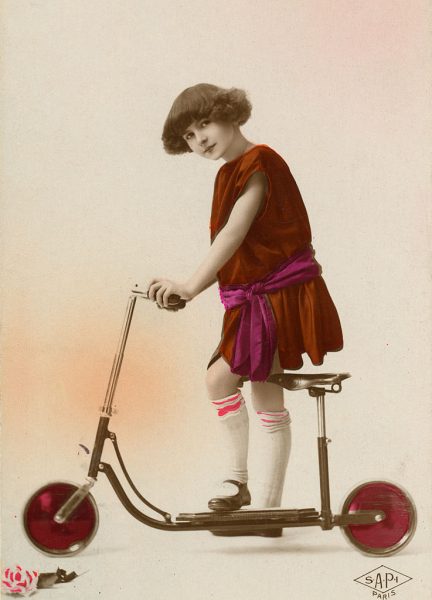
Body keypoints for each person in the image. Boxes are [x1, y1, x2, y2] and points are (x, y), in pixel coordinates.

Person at [147, 83, 343, 536]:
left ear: (231, 114)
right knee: (258, 389)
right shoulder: (227, 173)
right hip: (255, 299)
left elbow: (234, 233)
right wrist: (187, 289)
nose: (200, 139)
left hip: (277, 296)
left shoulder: (261, 162)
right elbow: (230, 248)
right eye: (189, 135)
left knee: (229, 381)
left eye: (205, 124)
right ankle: (260, 505)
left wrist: (189, 286)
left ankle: (246, 491)